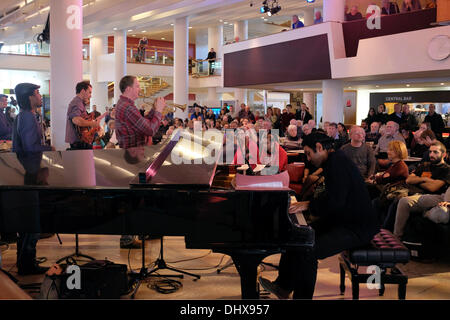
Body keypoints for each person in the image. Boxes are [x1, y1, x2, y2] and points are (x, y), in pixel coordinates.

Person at [258, 132, 379, 299]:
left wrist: (308, 205)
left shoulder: (337, 162)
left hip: (357, 227)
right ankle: (283, 287)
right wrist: (309, 205)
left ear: (320, 147)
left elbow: (336, 201)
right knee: (297, 237)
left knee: (309, 251)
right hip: (343, 219)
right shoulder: (334, 160)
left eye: (308, 153)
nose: (308, 159)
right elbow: (333, 197)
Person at [115, 75, 165, 249]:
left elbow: (142, 124)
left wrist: (152, 112)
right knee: (134, 197)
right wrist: (158, 111)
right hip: (133, 155)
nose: (140, 89)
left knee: (137, 196)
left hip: (132, 154)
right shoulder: (128, 108)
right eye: (137, 86)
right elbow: (150, 129)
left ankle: (140, 230)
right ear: (128, 88)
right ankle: (129, 236)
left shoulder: (127, 106)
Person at [12, 83, 55, 275]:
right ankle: (27, 265)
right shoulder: (28, 118)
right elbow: (30, 148)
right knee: (31, 224)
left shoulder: (25, 116)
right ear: (29, 97)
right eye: (37, 93)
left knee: (28, 223)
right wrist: (49, 149)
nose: (40, 96)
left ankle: (25, 263)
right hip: (31, 175)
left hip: (27, 174)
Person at [393, 141, 450, 238]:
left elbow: (433, 188)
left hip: (436, 196)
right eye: (430, 152)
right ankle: (396, 236)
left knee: (400, 200)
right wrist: (425, 179)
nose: (431, 154)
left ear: (444, 154)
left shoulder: (446, 169)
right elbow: (409, 180)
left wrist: (418, 181)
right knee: (400, 200)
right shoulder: (425, 165)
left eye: (435, 152)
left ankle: (397, 237)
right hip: (416, 193)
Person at [65, 81, 100, 150]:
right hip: (79, 143)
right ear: (83, 91)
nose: (91, 95)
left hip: (80, 141)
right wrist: (92, 123)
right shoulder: (77, 103)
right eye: (89, 92)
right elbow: (76, 120)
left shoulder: (79, 103)